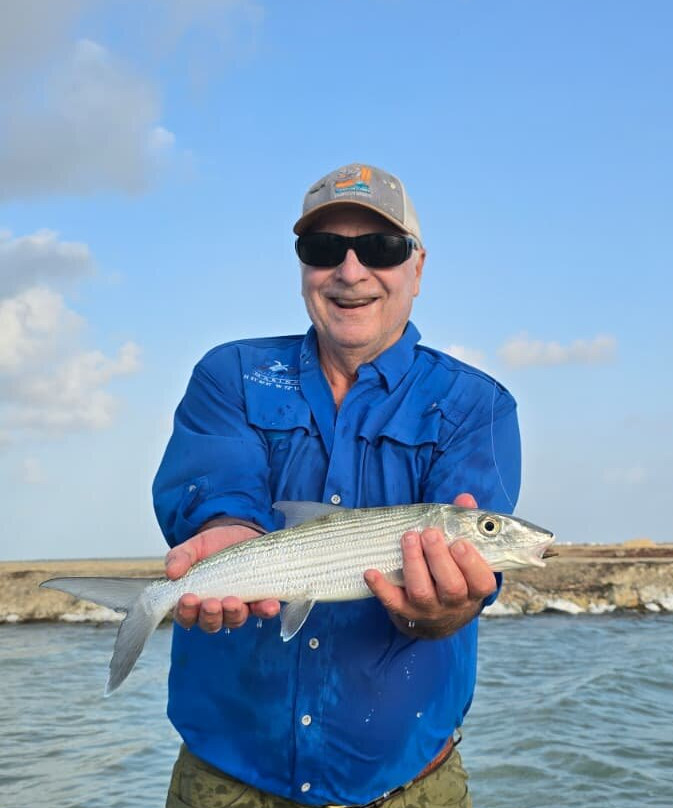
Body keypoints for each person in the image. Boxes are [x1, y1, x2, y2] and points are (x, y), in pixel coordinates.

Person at [153, 163, 521, 808]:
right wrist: (225, 533)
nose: (351, 272)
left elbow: (457, 598)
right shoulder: (231, 374)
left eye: (381, 248)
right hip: (226, 781)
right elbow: (219, 490)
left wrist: (448, 608)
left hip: (407, 784)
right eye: (324, 250)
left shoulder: (476, 406)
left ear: (418, 266)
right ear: (303, 268)